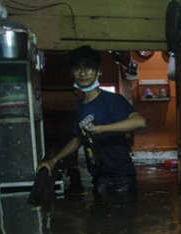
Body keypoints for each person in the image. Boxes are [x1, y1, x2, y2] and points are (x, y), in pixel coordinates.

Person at [38, 45, 146, 201]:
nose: (83, 73)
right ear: (72, 72)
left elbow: (140, 121)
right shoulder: (80, 106)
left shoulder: (112, 100)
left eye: (88, 68)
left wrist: (101, 129)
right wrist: (53, 161)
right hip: (98, 176)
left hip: (121, 177)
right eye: (78, 68)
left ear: (99, 71)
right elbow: (78, 139)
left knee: (123, 223)